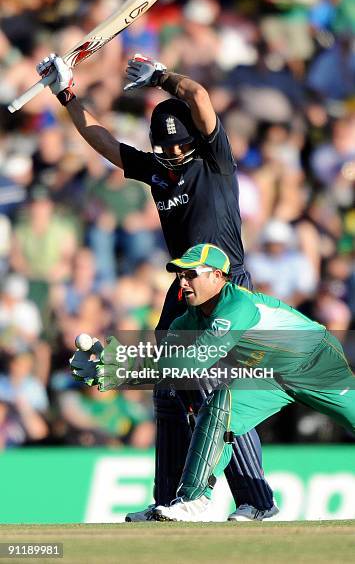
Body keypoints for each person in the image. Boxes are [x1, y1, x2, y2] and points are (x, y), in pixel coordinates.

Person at [37, 52, 277, 522]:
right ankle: (169, 501)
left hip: (226, 286)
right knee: (168, 389)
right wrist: (65, 94)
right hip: (186, 285)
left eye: (176, 147)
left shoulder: (214, 160)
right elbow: (100, 139)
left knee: (215, 388)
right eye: (162, 148)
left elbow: (199, 96)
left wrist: (161, 77)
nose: (170, 155)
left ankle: (256, 501)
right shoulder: (156, 171)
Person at [82, 242, 355, 522]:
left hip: (316, 361)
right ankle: (192, 500)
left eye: (192, 275)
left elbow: (196, 360)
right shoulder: (184, 322)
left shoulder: (238, 305)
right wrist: (109, 366)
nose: (183, 282)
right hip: (269, 377)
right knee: (220, 407)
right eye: (180, 276)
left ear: (217, 276)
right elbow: (168, 367)